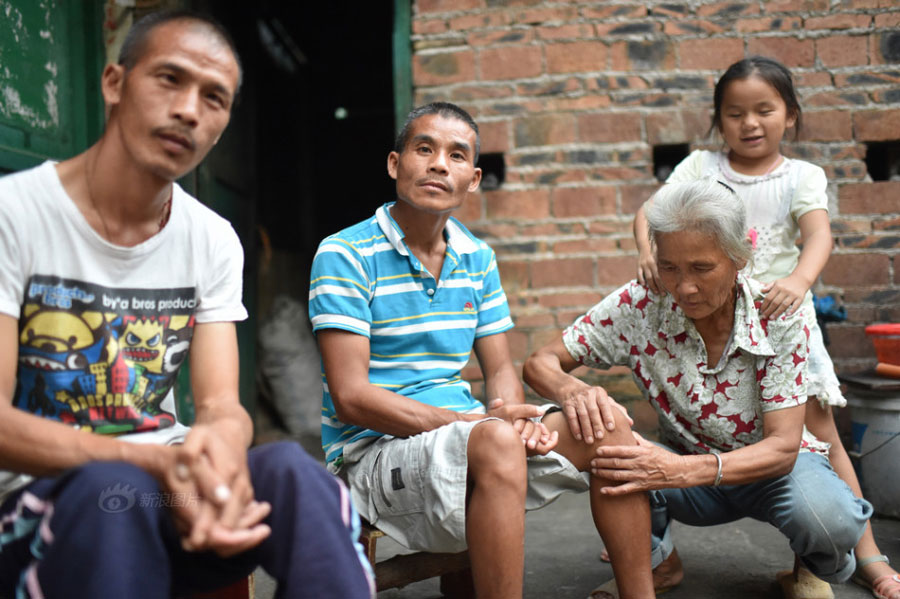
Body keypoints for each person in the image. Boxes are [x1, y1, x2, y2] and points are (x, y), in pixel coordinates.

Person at [0, 10, 373, 598]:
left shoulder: (212, 237)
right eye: (169, 79)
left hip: (166, 487)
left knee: (295, 476)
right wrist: (152, 466)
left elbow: (223, 404)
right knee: (109, 497)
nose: (189, 110)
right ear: (114, 82)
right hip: (44, 497)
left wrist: (215, 468)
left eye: (214, 98)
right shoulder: (14, 214)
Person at [309, 101, 655, 598]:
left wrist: (511, 415)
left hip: (470, 435)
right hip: (370, 453)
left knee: (610, 428)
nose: (437, 164)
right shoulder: (345, 254)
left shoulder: (476, 256)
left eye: (455, 155)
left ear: (472, 179)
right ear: (394, 164)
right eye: (423, 149)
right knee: (493, 440)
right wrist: (476, 426)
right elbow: (351, 397)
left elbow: (501, 370)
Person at [525, 179, 872, 599]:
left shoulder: (778, 316)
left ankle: (807, 569)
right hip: (685, 477)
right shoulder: (641, 303)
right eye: (669, 267)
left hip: (772, 473)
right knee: (606, 442)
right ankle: (657, 564)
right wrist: (571, 390)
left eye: (701, 268)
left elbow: (783, 448)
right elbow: (540, 362)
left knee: (830, 520)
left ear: (739, 256)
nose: (684, 287)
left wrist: (680, 471)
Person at [632, 55, 900, 599]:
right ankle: (651, 556)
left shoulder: (800, 176)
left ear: (790, 115)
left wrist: (800, 282)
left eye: (764, 110)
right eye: (734, 113)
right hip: (712, 319)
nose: (749, 124)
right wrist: (646, 253)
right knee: (683, 428)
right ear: (718, 120)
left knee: (818, 437)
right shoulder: (700, 168)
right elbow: (650, 212)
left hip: (778, 322)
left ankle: (858, 557)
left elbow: (819, 235)